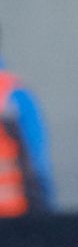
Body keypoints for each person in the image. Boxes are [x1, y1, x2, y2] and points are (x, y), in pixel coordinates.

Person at [0, 21, 54, 216]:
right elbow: (38, 163)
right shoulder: (16, 95)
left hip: (14, 220)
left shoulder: (16, 96)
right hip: (18, 224)